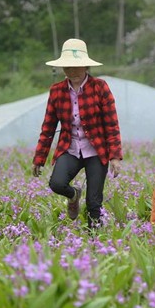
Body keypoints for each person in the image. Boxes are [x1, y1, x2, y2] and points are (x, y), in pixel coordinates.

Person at [32, 38, 122, 229]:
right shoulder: (56, 91)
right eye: (67, 66)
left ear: (86, 66)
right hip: (70, 148)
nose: (71, 70)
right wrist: (39, 158)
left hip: (96, 151)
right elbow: (48, 127)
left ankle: (94, 241)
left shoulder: (100, 87)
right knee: (56, 183)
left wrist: (114, 156)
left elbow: (111, 124)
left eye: (76, 66)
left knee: (93, 203)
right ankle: (74, 195)